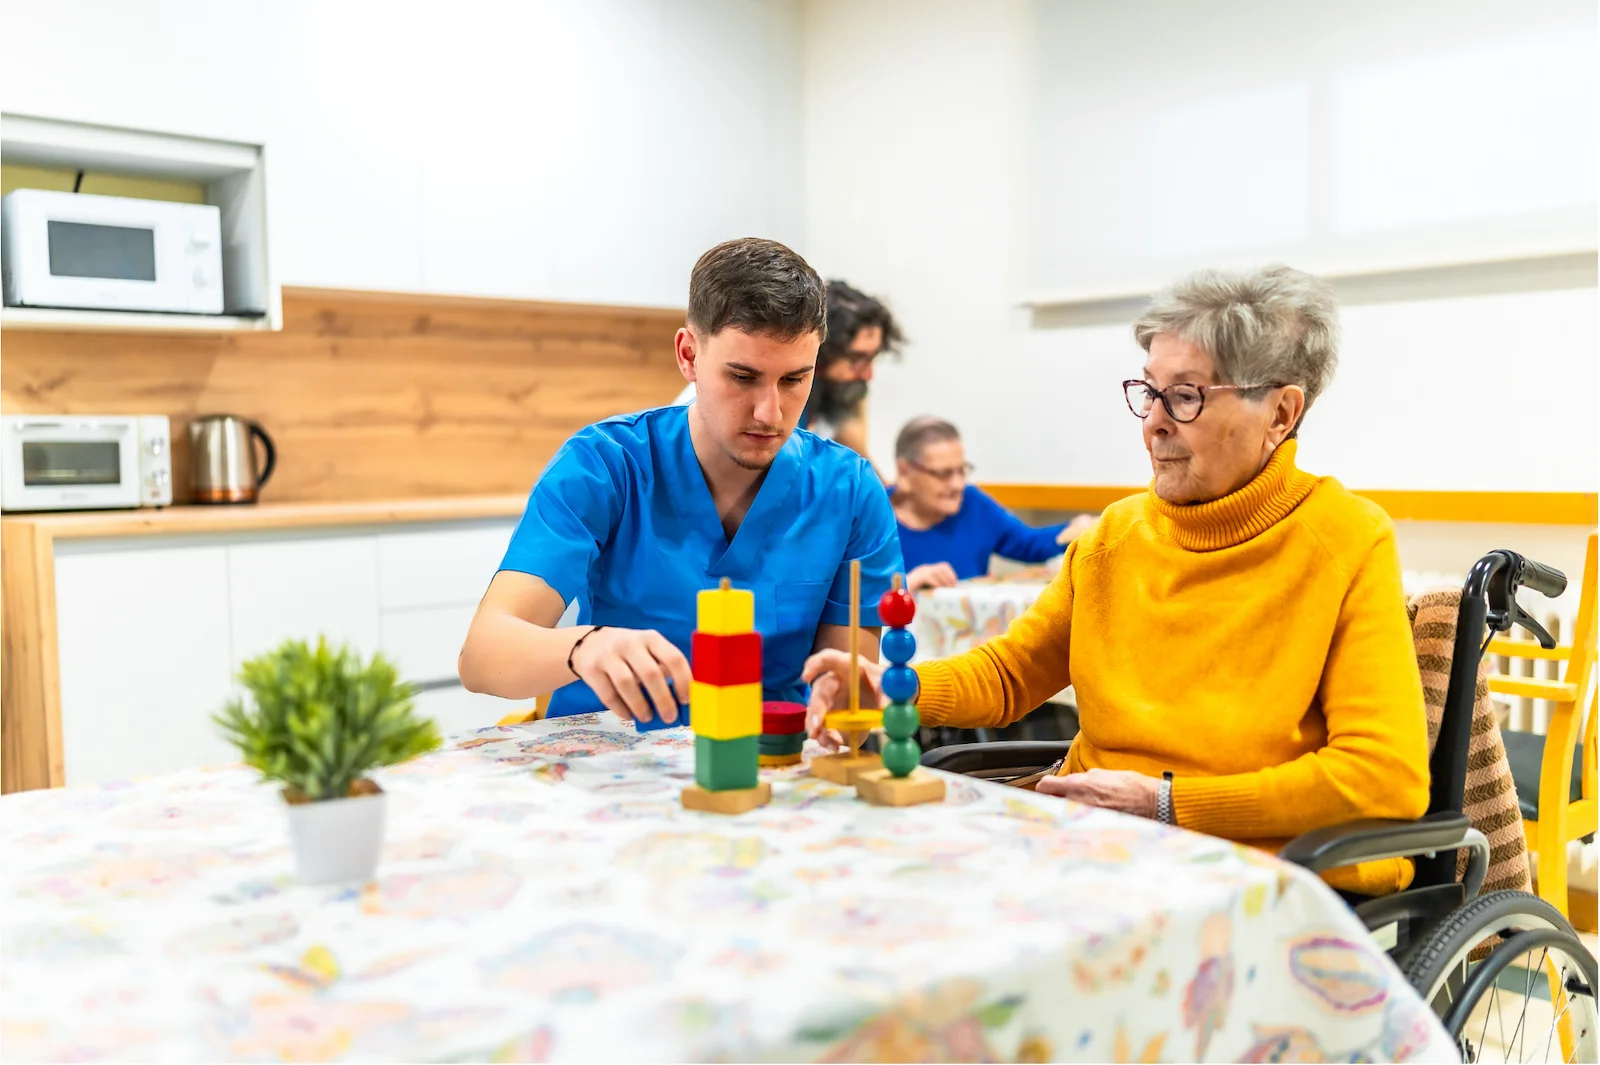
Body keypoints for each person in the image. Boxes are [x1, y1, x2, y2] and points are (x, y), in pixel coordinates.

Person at [804, 263, 1431, 896]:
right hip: (1098, 840)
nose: (1153, 424)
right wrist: (894, 688)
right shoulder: (1115, 535)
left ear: (1280, 413)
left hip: (1247, 869)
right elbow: (1011, 675)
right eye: (1149, 392)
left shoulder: (1345, 539)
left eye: (1185, 397)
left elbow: (1381, 779)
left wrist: (1167, 804)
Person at [460, 237, 902, 722]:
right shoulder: (605, 466)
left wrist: (856, 701)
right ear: (689, 355)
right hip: (608, 761)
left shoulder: (850, 491)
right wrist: (584, 646)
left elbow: (846, 696)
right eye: (742, 377)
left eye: (794, 380)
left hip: (767, 765)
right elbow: (482, 658)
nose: (770, 412)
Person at [672, 279, 901, 461]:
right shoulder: (705, 406)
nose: (867, 374)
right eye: (856, 359)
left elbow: (855, 457)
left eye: (873, 358)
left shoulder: (835, 391)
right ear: (820, 350)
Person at [890, 416, 1096, 591]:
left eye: (962, 470)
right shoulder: (872, 516)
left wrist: (1083, 529)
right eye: (943, 474)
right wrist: (908, 584)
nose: (957, 484)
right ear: (905, 472)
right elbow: (858, 598)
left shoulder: (973, 504)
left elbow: (1030, 545)